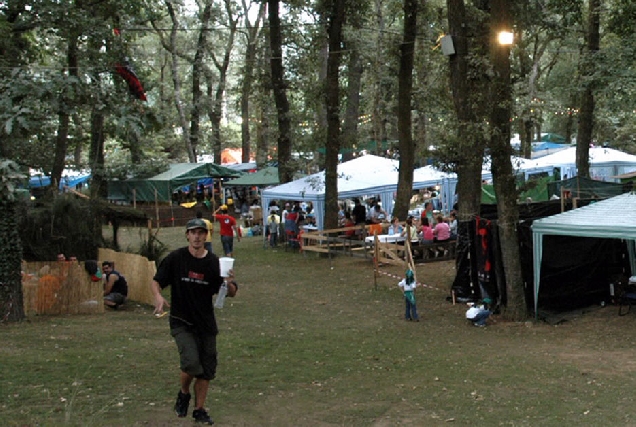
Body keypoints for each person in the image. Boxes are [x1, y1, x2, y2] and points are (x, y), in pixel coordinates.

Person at [151, 218, 238, 425]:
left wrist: (228, 282)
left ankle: (199, 410)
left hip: (205, 323)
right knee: (191, 363)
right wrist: (157, 296)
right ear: (187, 235)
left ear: (206, 236)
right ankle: (183, 393)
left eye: (201, 232)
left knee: (206, 370)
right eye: (193, 232)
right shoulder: (176, 258)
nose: (197, 236)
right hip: (181, 321)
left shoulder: (213, 262)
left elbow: (231, 293)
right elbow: (157, 281)